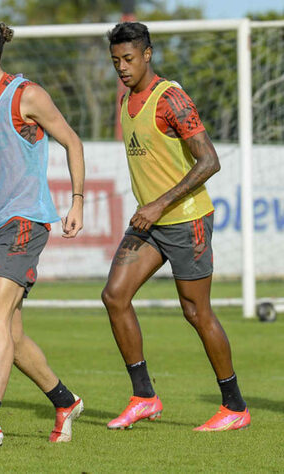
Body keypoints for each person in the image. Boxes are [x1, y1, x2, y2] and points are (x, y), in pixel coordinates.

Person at [0, 17, 86, 449]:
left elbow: (73, 142)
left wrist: (77, 201)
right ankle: (65, 401)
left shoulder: (26, 95)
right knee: (11, 333)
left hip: (25, 220)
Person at [102, 22, 249, 432]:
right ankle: (144, 397)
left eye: (128, 59)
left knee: (196, 311)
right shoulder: (125, 100)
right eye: (115, 61)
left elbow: (209, 161)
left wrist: (159, 204)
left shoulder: (171, 99)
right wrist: (150, 209)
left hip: (186, 220)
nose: (122, 68)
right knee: (115, 296)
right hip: (149, 222)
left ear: (147, 54)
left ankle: (234, 406)